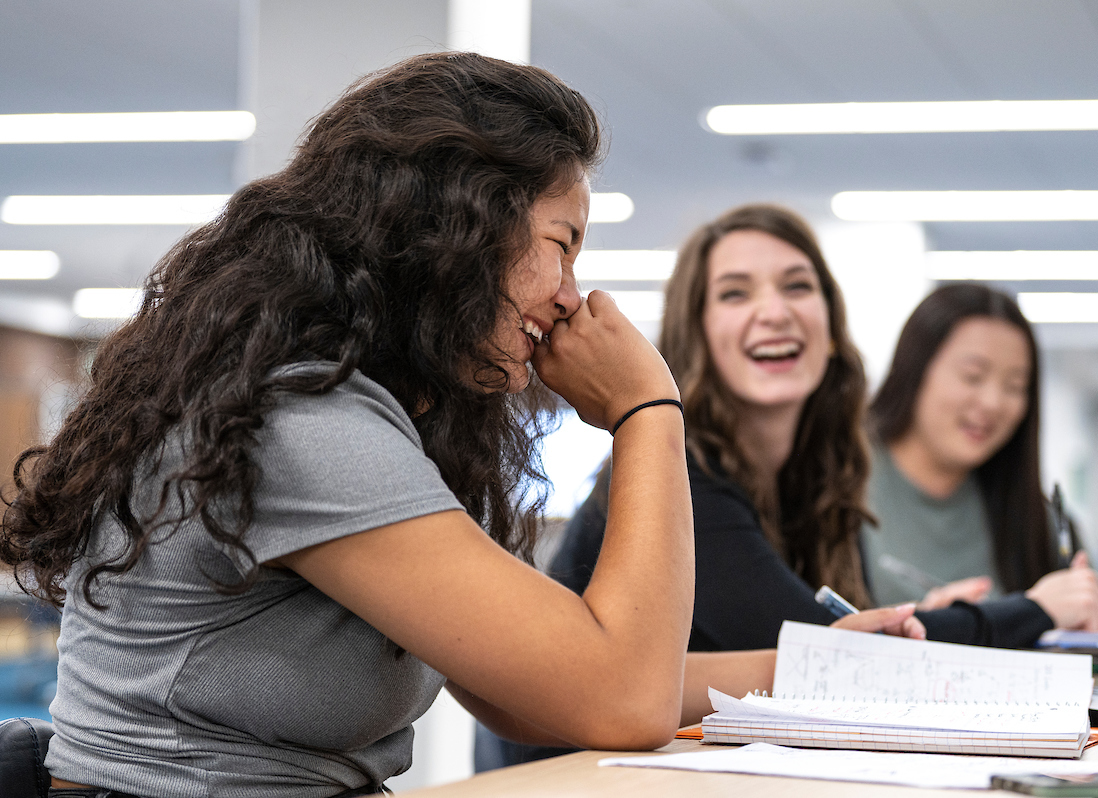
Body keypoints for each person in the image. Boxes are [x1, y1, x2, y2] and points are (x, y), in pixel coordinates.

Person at [0, 53, 698, 798]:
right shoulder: (296, 417)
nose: (570, 296)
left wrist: (803, 668)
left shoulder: (363, 407)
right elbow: (623, 698)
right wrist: (648, 411)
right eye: (562, 245)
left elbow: (529, 680)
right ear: (461, 224)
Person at [477, 203, 1098, 769]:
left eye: (797, 287)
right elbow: (830, 660)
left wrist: (910, 624)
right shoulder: (685, 469)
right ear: (696, 334)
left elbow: (840, 641)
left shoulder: (823, 484)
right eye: (734, 294)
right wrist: (1042, 608)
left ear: (831, 329)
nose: (774, 311)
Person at [862, 283, 1098, 626]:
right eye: (973, 376)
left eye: (1015, 386)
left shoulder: (1030, 511)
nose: (993, 403)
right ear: (915, 370)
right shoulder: (841, 483)